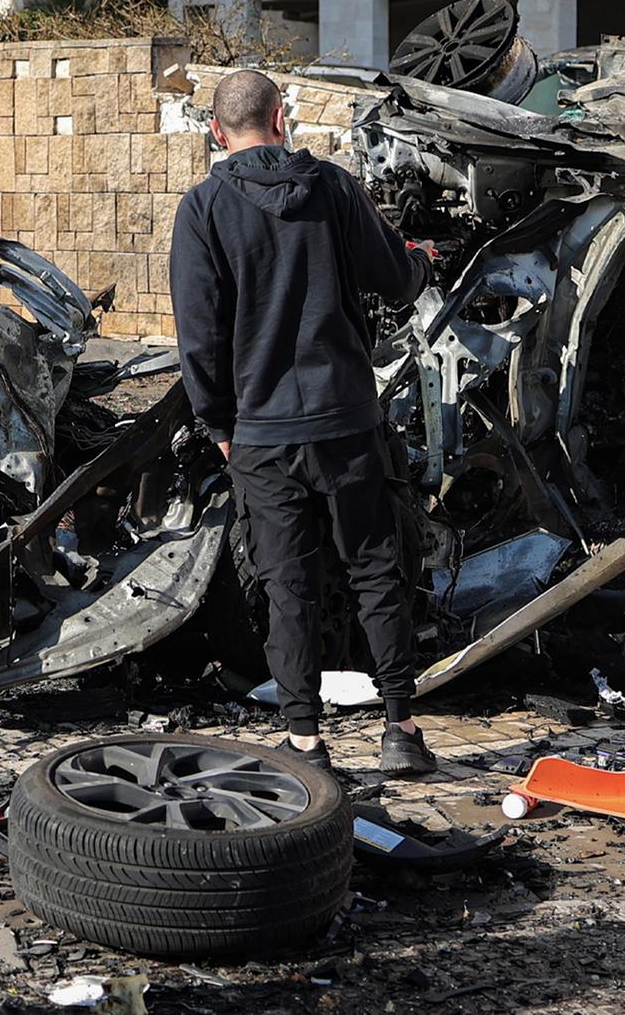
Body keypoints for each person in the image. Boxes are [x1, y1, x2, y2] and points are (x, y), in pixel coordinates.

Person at [169, 69, 436, 777]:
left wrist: (218, 423)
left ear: (218, 133)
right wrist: (419, 263)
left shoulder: (201, 210)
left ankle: (306, 746)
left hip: (260, 432)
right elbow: (394, 279)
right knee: (377, 570)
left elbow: (197, 334)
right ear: (282, 119)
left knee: (289, 585)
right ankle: (401, 730)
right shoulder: (337, 189)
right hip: (346, 419)